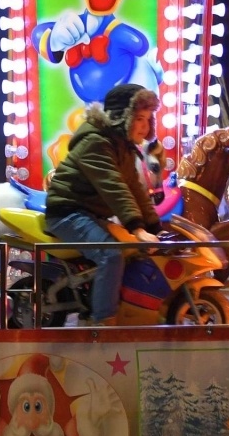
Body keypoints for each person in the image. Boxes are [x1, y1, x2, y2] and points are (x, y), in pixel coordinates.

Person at [43, 83, 162, 326]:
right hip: (68, 212)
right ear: (122, 118)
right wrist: (138, 229)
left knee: (130, 250)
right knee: (111, 255)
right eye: (139, 118)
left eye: (148, 119)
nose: (145, 125)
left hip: (88, 213)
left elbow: (135, 190)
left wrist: (155, 227)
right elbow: (114, 187)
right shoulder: (96, 142)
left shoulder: (124, 147)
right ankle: (102, 323)